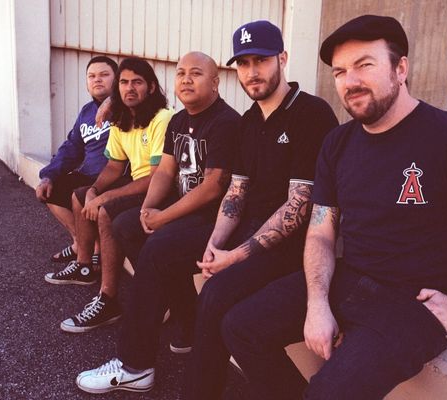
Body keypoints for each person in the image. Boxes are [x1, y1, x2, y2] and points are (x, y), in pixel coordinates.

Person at [220, 15, 447, 400]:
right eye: (340, 72)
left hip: (415, 305)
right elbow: (321, 232)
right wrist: (317, 304)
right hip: (349, 280)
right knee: (240, 327)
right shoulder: (337, 144)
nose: (350, 81)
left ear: (401, 69)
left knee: (329, 393)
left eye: (365, 65)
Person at [74, 20, 338, 396]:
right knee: (156, 249)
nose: (251, 72)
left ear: (282, 59)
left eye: (261, 61)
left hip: (292, 245)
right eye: (243, 63)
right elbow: (236, 193)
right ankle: (140, 362)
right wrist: (216, 241)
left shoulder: (310, 113)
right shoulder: (250, 121)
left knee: (214, 293)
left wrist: (235, 254)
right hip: (246, 230)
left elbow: (299, 205)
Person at [74, 51, 241, 394]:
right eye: (181, 73)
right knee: (126, 226)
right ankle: (189, 323)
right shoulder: (179, 121)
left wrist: (163, 217)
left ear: (215, 82)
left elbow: (214, 186)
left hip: (215, 221)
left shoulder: (226, 122)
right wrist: (147, 209)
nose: (186, 79)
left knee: (157, 250)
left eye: (196, 73)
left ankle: (135, 365)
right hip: (186, 214)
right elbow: (165, 171)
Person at [45, 58, 173, 332]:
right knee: (82, 195)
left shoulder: (162, 118)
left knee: (106, 212)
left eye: (137, 82)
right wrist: (94, 190)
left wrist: (104, 198)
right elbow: (114, 166)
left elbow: (156, 177)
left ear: (151, 87)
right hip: (139, 183)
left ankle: (108, 299)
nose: (129, 88)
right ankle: (85, 266)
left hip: (163, 189)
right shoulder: (121, 119)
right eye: (124, 82)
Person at [36, 56, 117, 264]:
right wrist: (48, 175)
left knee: (80, 195)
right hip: (87, 174)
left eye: (104, 75)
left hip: (112, 178)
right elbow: (72, 147)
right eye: (91, 76)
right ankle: (80, 243)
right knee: (52, 190)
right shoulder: (86, 112)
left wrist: (114, 100)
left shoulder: (125, 108)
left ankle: (91, 252)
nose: (97, 79)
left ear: (117, 79)